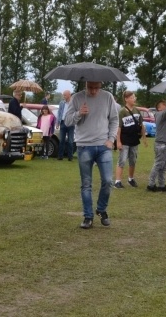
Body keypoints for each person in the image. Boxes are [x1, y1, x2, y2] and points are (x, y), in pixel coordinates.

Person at [65, 81, 119, 229]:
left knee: (108, 181)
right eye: (90, 88)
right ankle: (88, 216)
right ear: (86, 84)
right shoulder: (77, 98)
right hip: (84, 146)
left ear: (101, 85)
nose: (94, 91)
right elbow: (67, 121)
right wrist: (79, 113)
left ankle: (101, 209)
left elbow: (114, 120)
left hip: (103, 146)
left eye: (97, 88)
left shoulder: (107, 97)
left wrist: (111, 139)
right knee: (86, 183)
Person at [114, 90, 147, 189]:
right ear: (126, 99)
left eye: (134, 97)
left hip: (134, 139)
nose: (134, 99)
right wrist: (118, 141)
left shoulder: (137, 111)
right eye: (132, 97)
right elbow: (119, 127)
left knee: (133, 160)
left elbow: (141, 125)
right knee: (122, 160)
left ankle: (131, 179)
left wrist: (144, 138)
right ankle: (117, 181)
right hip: (125, 139)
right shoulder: (122, 112)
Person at [56, 90, 74, 161]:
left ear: (69, 95)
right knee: (61, 140)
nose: (64, 96)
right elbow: (59, 113)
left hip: (71, 123)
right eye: (63, 95)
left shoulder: (73, 103)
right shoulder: (62, 103)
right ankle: (60, 156)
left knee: (70, 141)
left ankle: (70, 156)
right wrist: (57, 122)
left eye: (65, 95)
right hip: (62, 122)